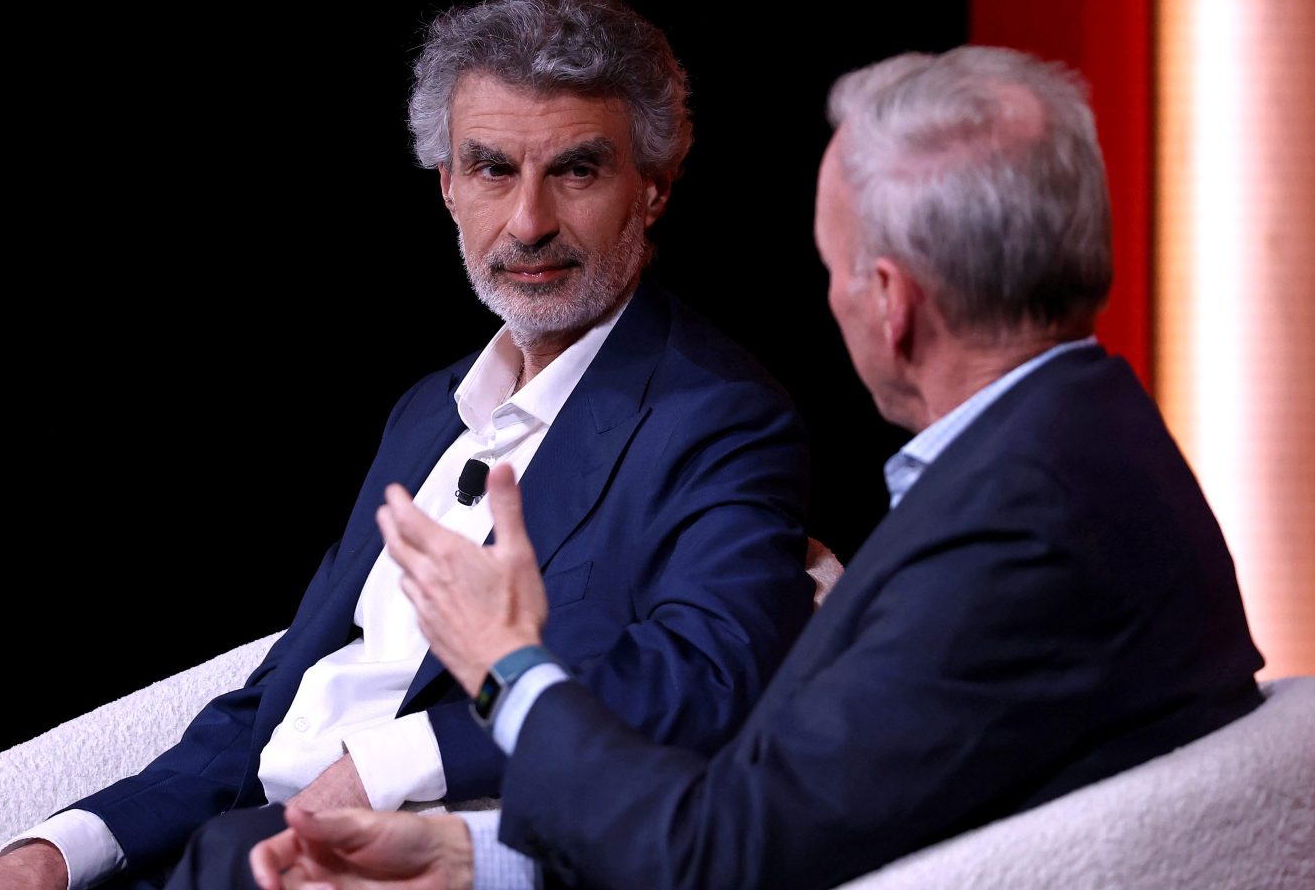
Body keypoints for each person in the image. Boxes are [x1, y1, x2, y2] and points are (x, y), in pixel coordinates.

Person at [250, 46, 1266, 890]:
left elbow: (723, 857)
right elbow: (788, 807)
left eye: (830, 269)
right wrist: (473, 858)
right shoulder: (1086, 442)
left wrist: (508, 667)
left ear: (890, 302)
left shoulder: (1016, 532)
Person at [0, 0, 814, 890]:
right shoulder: (429, 410)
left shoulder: (720, 417)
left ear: (655, 187)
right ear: (448, 187)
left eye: (577, 170)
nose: (529, 222)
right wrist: (53, 854)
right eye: (493, 169)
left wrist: (389, 764)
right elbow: (277, 699)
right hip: (227, 850)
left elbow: (707, 677)